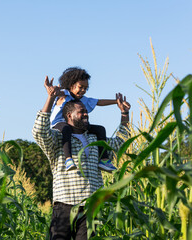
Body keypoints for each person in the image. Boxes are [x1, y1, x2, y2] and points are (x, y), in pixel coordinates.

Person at [32, 76, 131, 239]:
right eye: (82, 112)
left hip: (90, 209)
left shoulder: (95, 139)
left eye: (86, 111)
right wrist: (50, 98)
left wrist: (124, 113)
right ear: (69, 116)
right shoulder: (57, 140)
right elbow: (39, 132)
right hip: (64, 207)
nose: (86, 114)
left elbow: (121, 141)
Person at [50, 67, 118, 172]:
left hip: (75, 125)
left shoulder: (82, 100)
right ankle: (68, 159)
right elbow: (60, 94)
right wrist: (53, 91)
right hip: (59, 124)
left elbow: (98, 102)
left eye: (86, 88)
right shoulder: (65, 95)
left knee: (100, 129)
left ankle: (104, 160)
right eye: (80, 87)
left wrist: (116, 102)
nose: (83, 90)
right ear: (71, 85)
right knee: (66, 129)